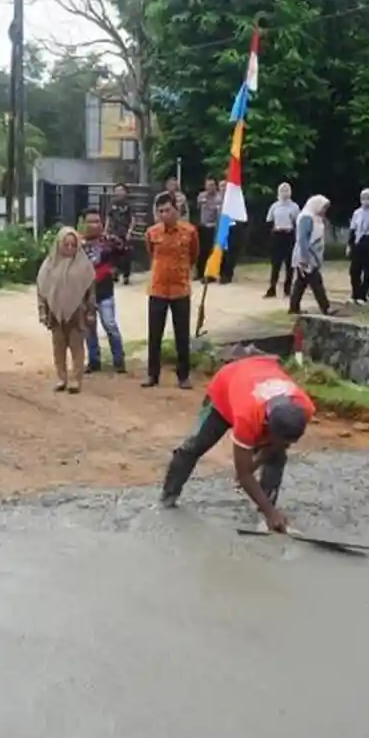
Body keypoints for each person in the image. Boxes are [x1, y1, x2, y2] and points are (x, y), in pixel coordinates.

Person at [160, 355, 316, 533]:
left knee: (277, 456)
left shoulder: (305, 407)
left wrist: (256, 463)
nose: (287, 444)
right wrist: (249, 472)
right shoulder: (247, 418)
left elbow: (277, 446)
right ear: (267, 426)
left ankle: (265, 514)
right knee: (195, 446)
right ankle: (168, 497)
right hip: (225, 390)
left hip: (255, 376)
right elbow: (243, 475)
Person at [143, 192, 199, 390]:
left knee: (182, 334)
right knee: (154, 334)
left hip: (180, 289)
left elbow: (194, 255)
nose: (164, 215)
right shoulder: (152, 233)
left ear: (176, 210)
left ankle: (183, 375)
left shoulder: (189, 231)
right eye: (160, 211)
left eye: (167, 210)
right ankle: (152, 374)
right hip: (157, 289)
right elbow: (151, 253)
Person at [37, 227, 97, 393]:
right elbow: (42, 291)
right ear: (58, 245)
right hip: (55, 314)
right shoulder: (49, 265)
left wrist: (91, 311)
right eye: (66, 245)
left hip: (77, 313)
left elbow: (90, 292)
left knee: (77, 347)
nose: (70, 248)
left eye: (73, 245)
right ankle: (61, 378)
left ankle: (76, 380)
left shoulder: (84, 265)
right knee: (59, 347)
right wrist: (42, 311)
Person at [81, 209, 127, 373]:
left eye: (97, 221)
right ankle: (94, 361)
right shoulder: (77, 245)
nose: (94, 225)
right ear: (83, 223)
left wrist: (115, 269)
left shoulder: (109, 242)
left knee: (110, 325)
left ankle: (119, 360)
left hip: (105, 291)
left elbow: (126, 253)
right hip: (84, 294)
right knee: (89, 328)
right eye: (90, 221)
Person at [288, 194, 333, 316]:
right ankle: (326, 308)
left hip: (311, 255)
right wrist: (305, 258)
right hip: (306, 256)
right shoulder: (306, 217)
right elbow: (303, 239)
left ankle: (293, 308)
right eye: (323, 207)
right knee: (316, 282)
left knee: (301, 283)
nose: (324, 211)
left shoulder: (316, 218)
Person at [347, 188, 369, 305]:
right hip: (358, 241)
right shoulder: (357, 213)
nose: (365, 201)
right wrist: (349, 245)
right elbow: (352, 229)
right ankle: (355, 293)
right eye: (363, 198)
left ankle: (363, 295)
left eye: (368, 198)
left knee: (368, 270)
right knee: (354, 270)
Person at [265, 182, 298, 298]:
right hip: (277, 235)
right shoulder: (274, 206)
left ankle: (287, 289)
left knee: (290, 264)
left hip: (288, 236)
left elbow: (296, 222)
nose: (284, 192)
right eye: (282, 190)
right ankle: (272, 288)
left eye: (287, 190)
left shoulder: (294, 207)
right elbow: (269, 220)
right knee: (275, 264)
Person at [195, 177, 221, 280]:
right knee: (200, 251)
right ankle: (199, 272)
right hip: (202, 226)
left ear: (215, 186)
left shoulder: (218, 198)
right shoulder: (201, 196)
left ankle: (210, 274)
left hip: (213, 227)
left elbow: (219, 214)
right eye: (207, 185)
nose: (209, 187)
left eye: (211, 185)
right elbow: (198, 208)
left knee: (211, 251)